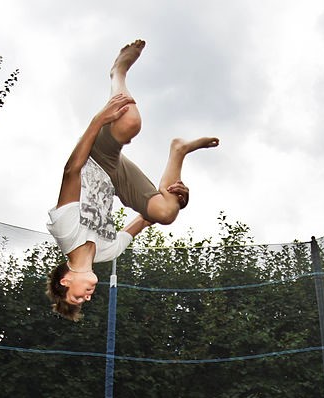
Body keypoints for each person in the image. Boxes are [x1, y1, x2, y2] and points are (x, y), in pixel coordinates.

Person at [46, 39, 218, 321]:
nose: (88, 296)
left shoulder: (66, 233)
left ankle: (118, 72)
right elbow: (147, 219)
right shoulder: (107, 251)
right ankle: (179, 150)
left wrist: (99, 120)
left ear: (65, 281)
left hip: (93, 158)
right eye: (86, 300)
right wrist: (177, 201)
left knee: (129, 123)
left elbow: (71, 172)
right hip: (115, 180)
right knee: (166, 212)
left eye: (79, 297)